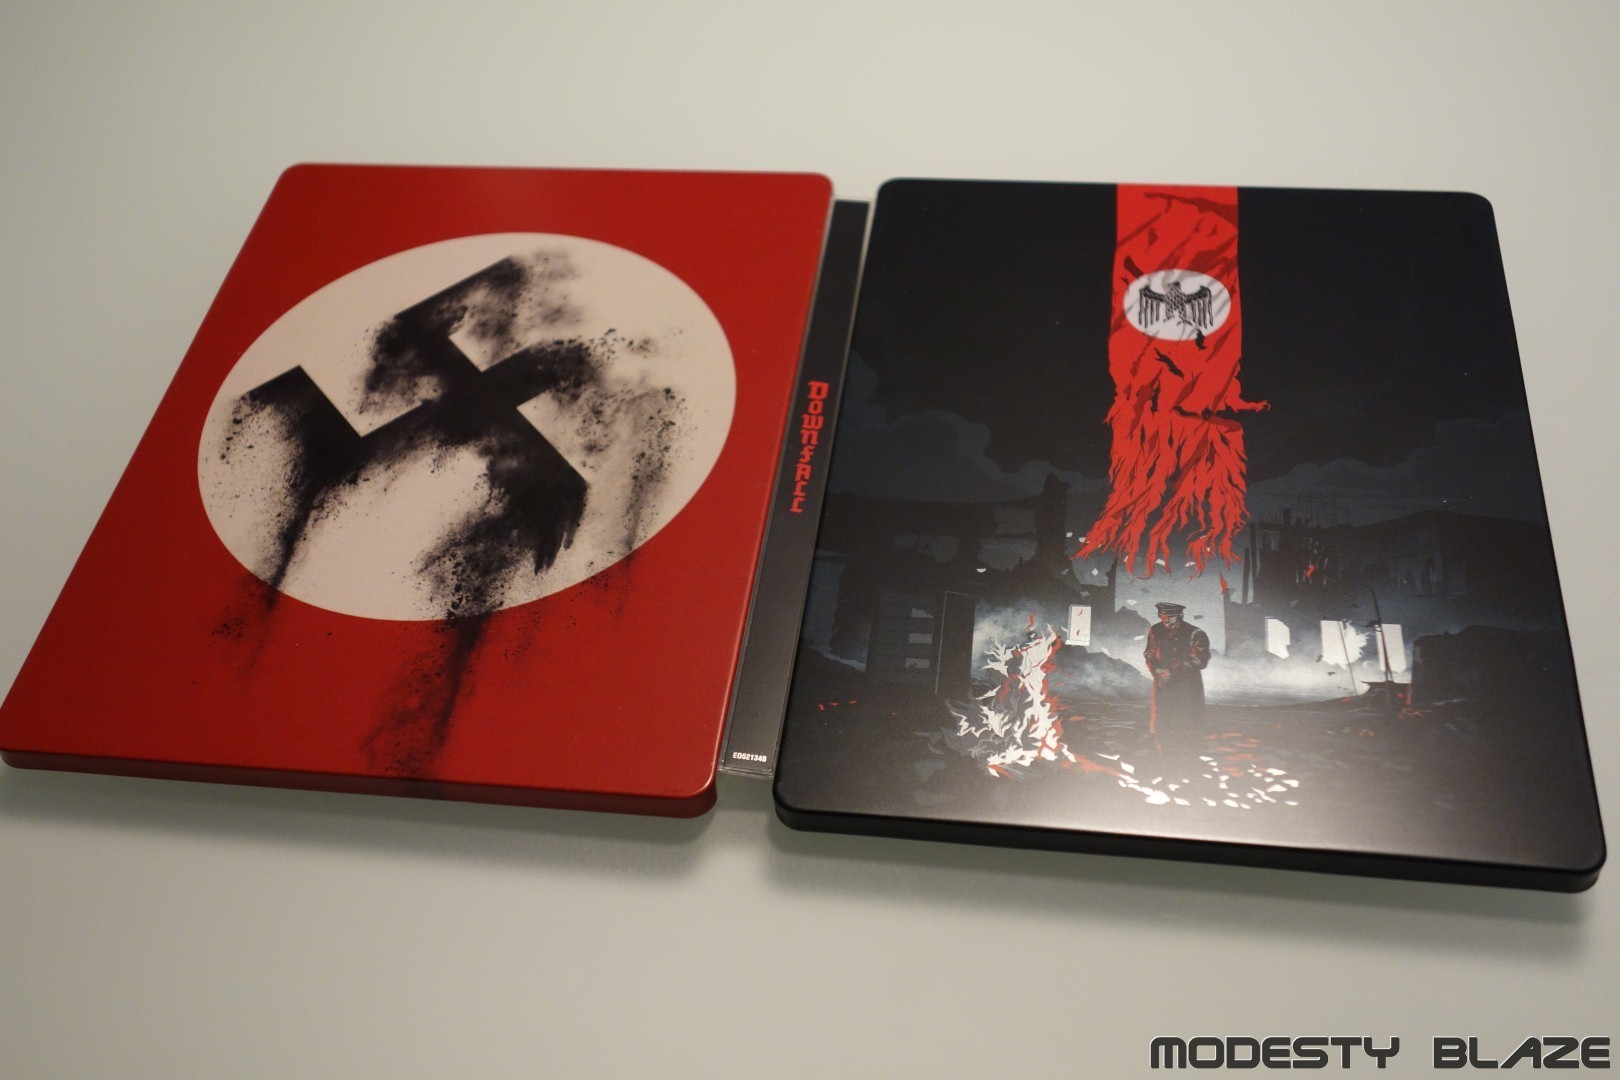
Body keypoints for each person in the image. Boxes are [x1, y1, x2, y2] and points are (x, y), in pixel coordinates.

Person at [1143, 602, 1209, 732]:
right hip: (1163, 682)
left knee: (1186, 723)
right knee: (1162, 722)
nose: (1166, 620)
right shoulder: (1156, 630)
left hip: (1186, 684)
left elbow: (1201, 659)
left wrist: (1175, 670)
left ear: (1180, 615)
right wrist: (1159, 671)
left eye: (1170, 617)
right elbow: (1149, 654)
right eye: (1162, 616)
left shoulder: (1195, 633)